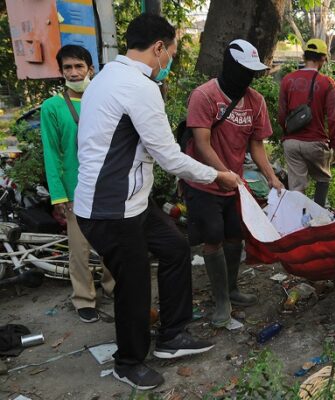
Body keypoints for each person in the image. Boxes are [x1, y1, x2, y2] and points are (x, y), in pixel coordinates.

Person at [74, 14, 241, 390]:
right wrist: (218, 175)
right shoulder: (138, 86)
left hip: (124, 203)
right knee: (133, 284)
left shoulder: (105, 77)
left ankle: (172, 336)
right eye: (172, 52)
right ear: (159, 48)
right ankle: (128, 361)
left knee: (175, 248)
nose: (170, 62)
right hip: (112, 210)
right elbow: (169, 157)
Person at [184, 39, 284, 328]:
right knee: (213, 235)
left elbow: (257, 146)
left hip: (234, 183)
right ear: (230, 67)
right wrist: (222, 173)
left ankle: (232, 288)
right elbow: (202, 144)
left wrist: (272, 177)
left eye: (252, 72)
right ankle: (220, 301)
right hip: (204, 181)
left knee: (235, 234)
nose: (248, 78)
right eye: (244, 71)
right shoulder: (204, 96)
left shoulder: (255, 101)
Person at [40, 45, 115, 323]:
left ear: (90, 69)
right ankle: (84, 298)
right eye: (68, 67)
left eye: (78, 67)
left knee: (112, 243)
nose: (73, 72)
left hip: (109, 187)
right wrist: (59, 196)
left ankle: (112, 286)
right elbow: (52, 152)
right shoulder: (53, 107)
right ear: (61, 72)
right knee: (80, 248)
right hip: (75, 189)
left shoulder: (105, 100)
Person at [278, 38, 335, 206]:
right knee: (323, 178)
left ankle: (296, 224)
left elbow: (281, 115)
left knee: (297, 188)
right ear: (322, 59)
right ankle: (318, 218)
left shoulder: (287, 80)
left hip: (291, 143)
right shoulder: (327, 83)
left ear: (304, 56)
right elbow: (334, 118)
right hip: (316, 143)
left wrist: (288, 136)